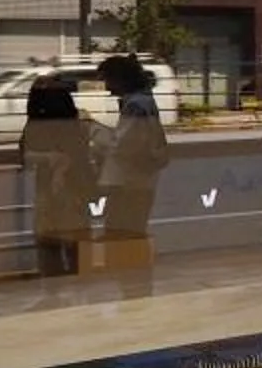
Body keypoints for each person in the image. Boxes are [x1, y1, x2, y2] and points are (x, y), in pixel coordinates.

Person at [94, 52, 171, 267]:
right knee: (132, 229)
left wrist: (92, 130)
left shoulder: (136, 106)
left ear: (120, 79)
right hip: (140, 181)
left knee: (124, 230)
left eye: (109, 80)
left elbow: (122, 145)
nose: (108, 88)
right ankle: (134, 280)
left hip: (129, 182)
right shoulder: (143, 102)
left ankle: (132, 280)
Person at [21, 74, 93, 276]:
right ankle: (76, 284)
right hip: (74, 187)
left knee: (49, 240)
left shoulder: (35, 125)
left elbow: (25, 156)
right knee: (74, 240)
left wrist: (48, 160)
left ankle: (54, 286)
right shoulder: (78, 124)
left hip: (53, 189)